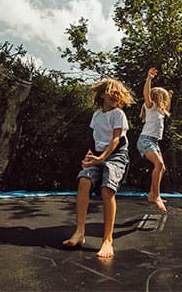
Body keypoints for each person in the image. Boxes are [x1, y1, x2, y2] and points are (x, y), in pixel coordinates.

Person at [62, 77, 134, 258]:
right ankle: (79, 232)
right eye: (112, 93)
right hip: (98, 154)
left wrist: (100, 158)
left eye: (118, 94)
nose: (115, 97)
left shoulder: (118, 114)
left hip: (116, 155)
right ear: (102, 95)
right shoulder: (96, 115)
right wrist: (88, 158)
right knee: (84, 180)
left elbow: (116, 140)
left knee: (107, 190)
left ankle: (107, 240)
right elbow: (92, 140)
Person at [136, 67, 172, 212]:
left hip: (154, 142)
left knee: (162, 167)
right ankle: (156, 196)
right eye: (164, 98)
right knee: (159, 164)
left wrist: (169, 97)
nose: (165, 101)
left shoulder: (160, 111)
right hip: (145, 140)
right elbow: (146, 94)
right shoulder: (151, 106)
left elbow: (166, 106)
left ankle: (152, 194)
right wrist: (149, 79)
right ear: (157, 98)